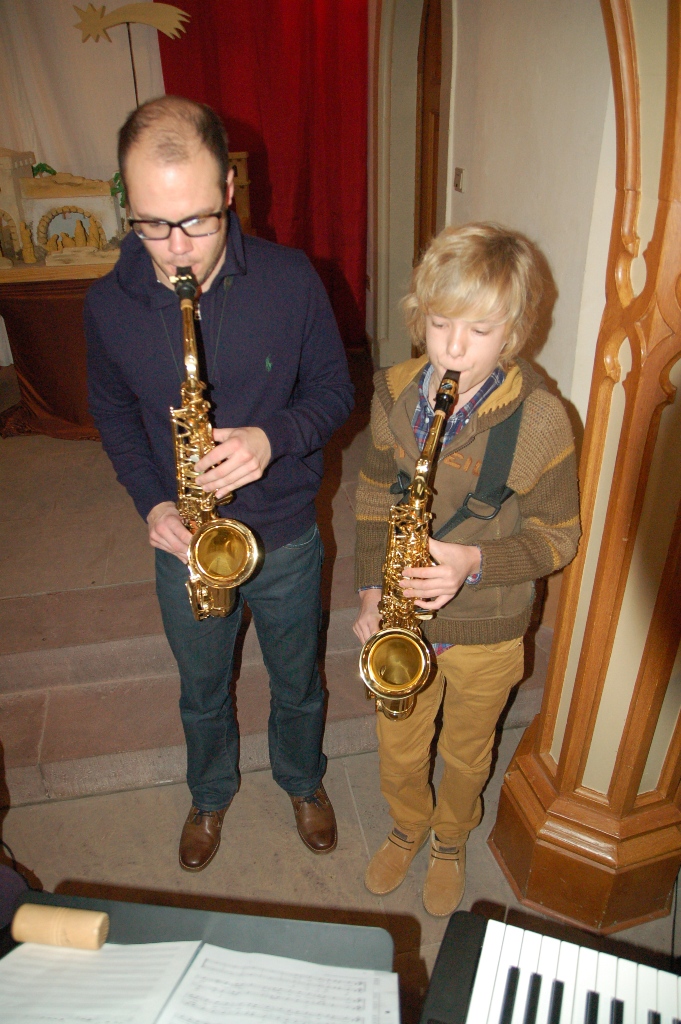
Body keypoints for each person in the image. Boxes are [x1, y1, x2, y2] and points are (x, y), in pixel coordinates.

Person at [85, 96, 354, 871]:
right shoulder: (107, 303)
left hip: (286, 531)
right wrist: (152, 502)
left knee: (297, 680)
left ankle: (301, 779)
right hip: (186, 542)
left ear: (229, 191)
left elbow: (335, 391)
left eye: (197, 222)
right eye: (151, 224)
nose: (176, 249)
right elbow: (113, 413)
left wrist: (273, 438)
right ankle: (209, 793)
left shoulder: (291, 279)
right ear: (127, 206)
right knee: (201, 687)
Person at [353, 224, 580, 916]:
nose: (453, 348)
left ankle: (450, 838)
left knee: (466, 751)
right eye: (439, 322)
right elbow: (372, 495)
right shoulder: (394, 394)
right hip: (403, 625)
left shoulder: (542, 420)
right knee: (398, 747)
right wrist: (370, 592)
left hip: (488, 627)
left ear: (513, 332)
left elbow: (559, 539)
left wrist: (475, 563)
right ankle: (406, 824)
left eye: (479, 330)